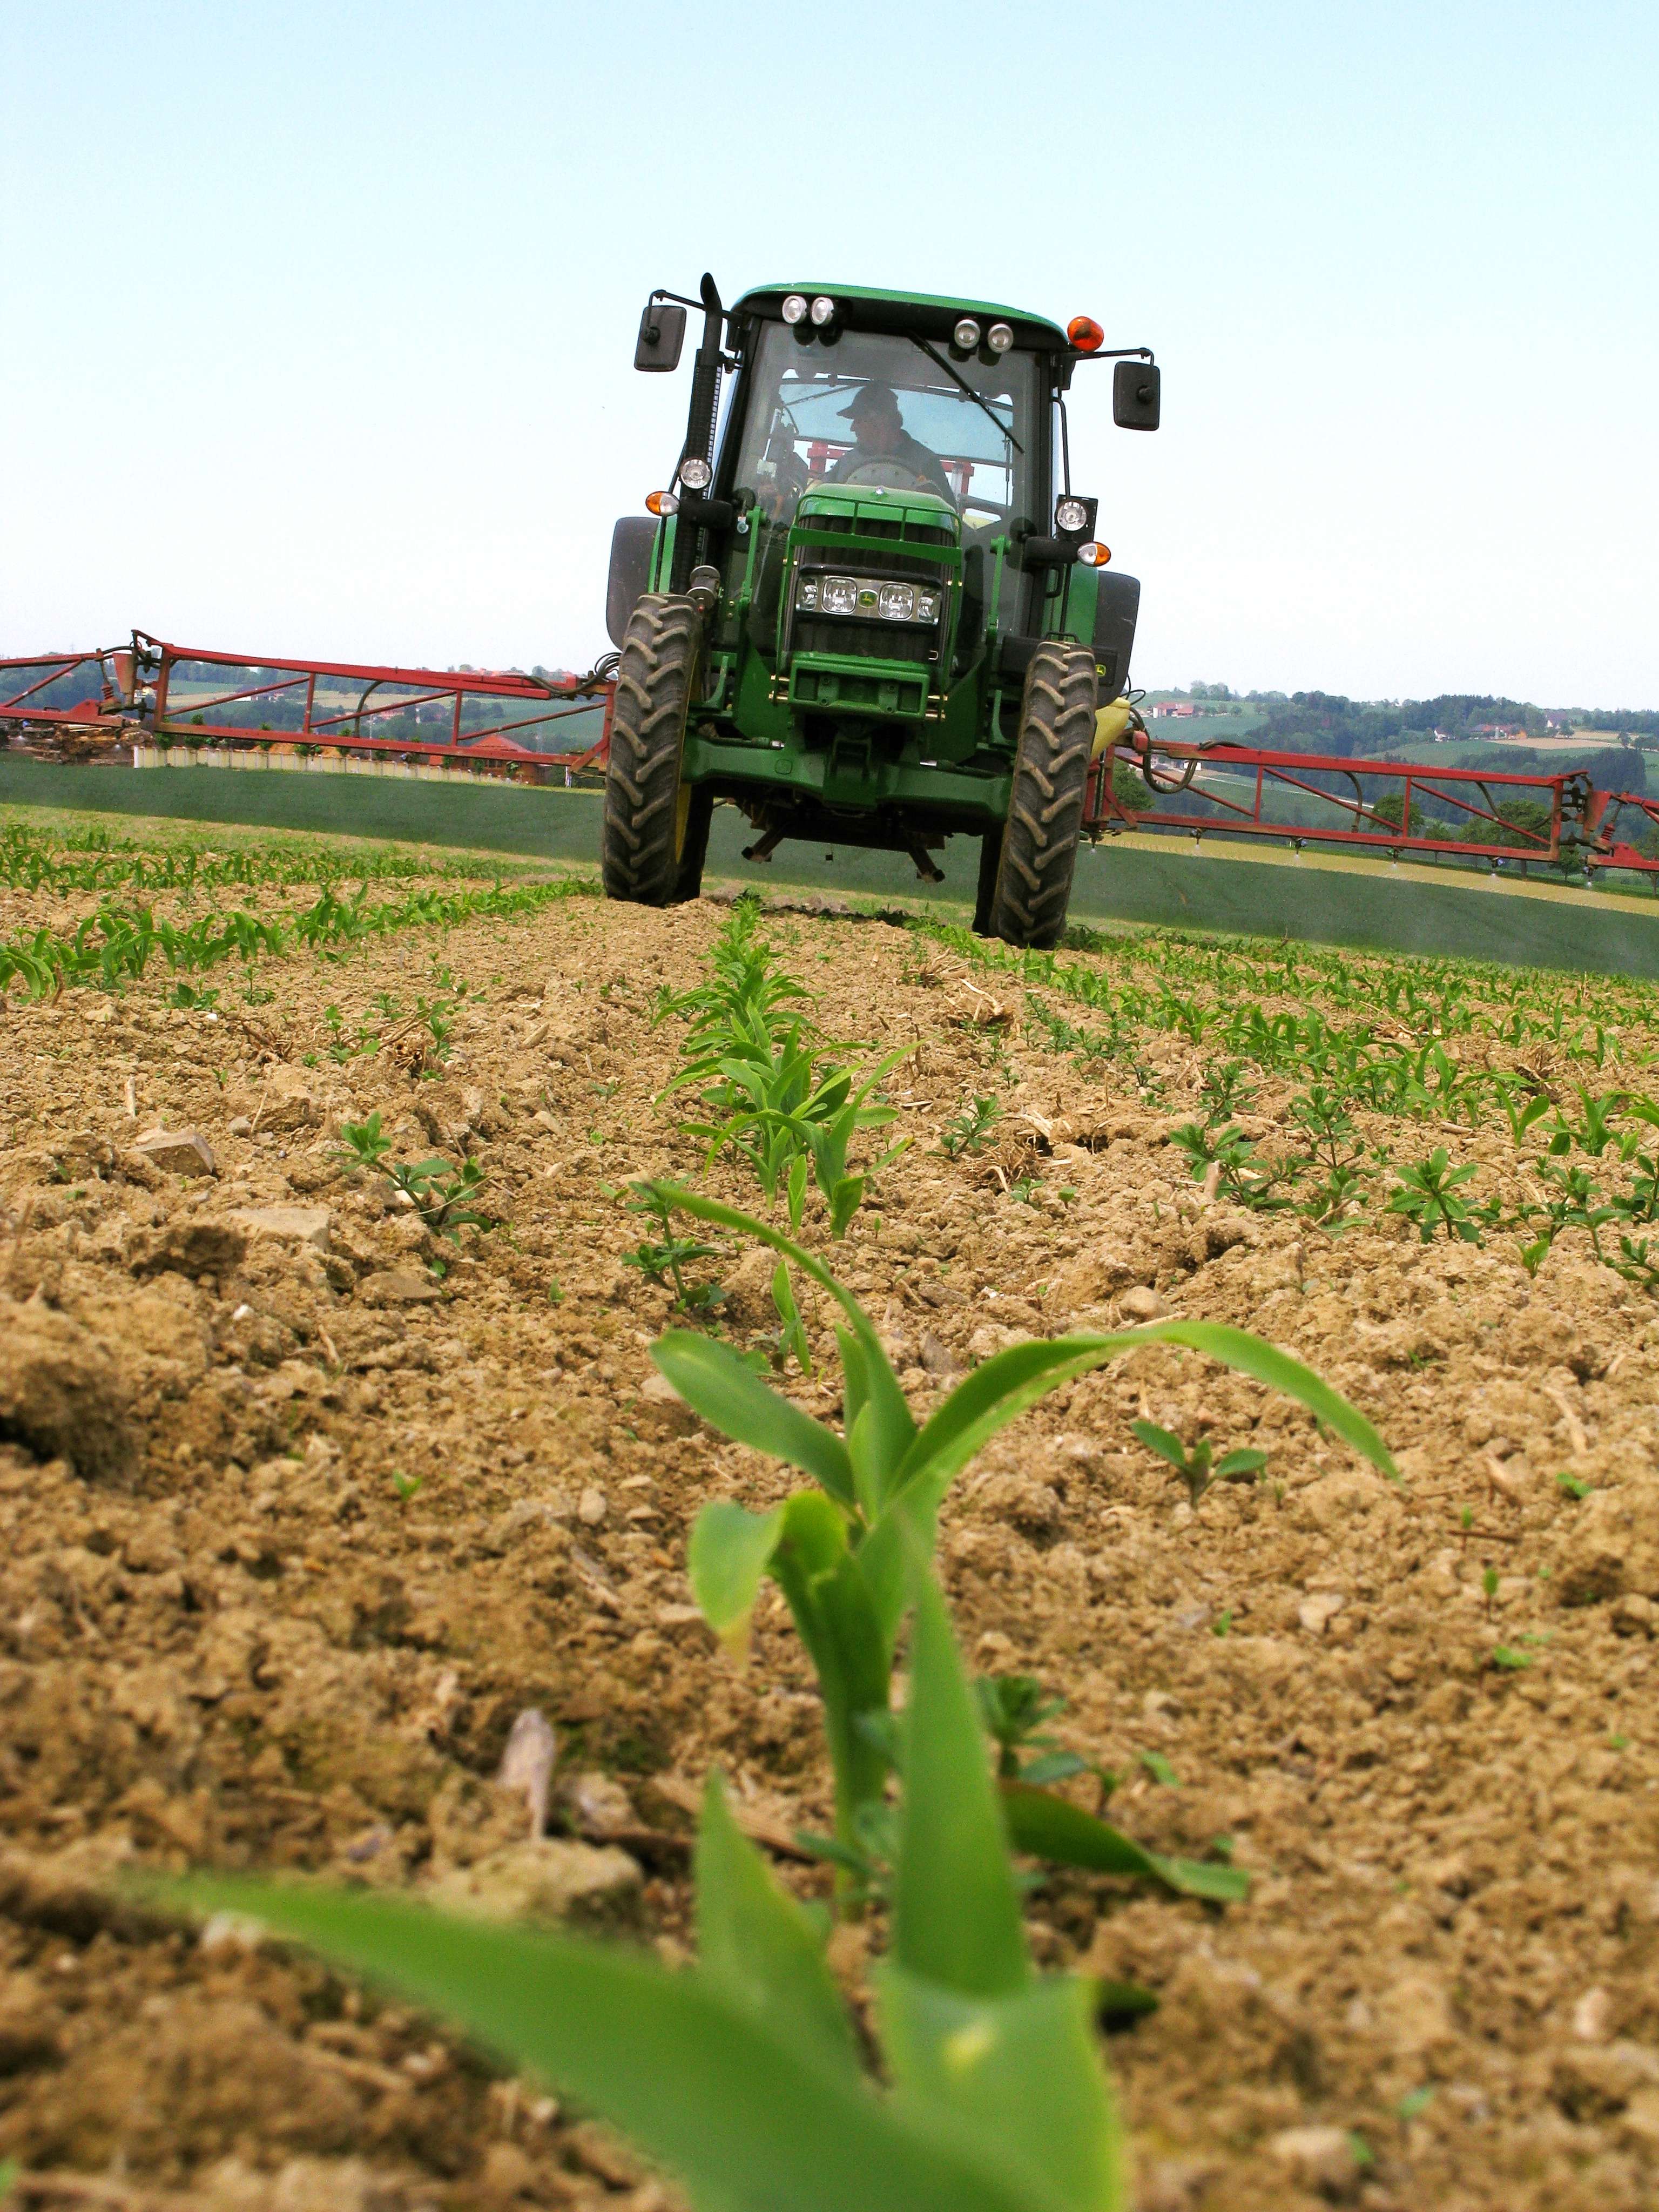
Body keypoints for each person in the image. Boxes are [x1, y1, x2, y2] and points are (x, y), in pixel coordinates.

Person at [826, 383, 955, 502]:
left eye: (859, 420)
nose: (852, 428)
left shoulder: (926, 463)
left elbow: (949, 515)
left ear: (882, 421)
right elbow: (820, 499)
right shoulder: (847, 462)